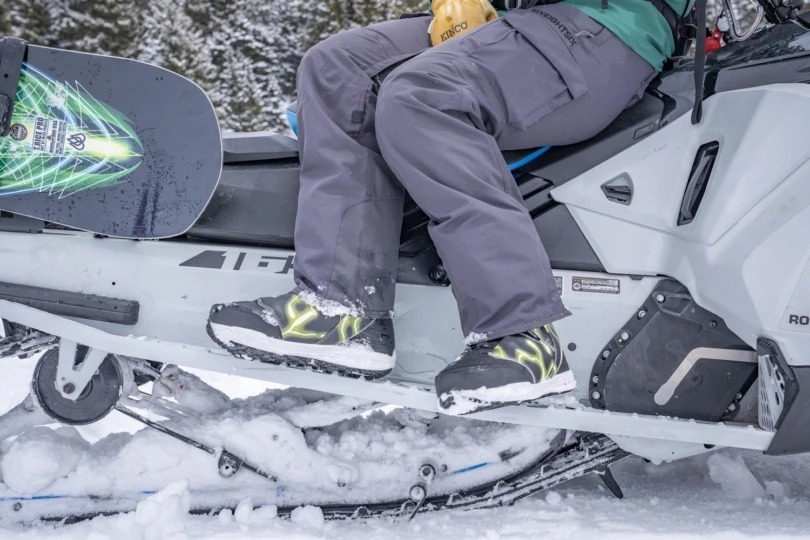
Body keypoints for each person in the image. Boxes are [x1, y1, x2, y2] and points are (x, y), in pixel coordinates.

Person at [207, 0, 691, 414]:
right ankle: (341, 307)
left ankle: (523, 336)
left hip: (606, 24)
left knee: (424, 96)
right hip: (520, 15)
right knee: (337, 69)